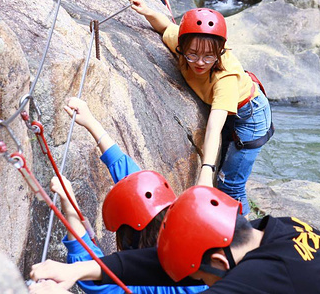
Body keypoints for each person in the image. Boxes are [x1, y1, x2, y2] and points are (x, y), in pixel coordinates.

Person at [29, 186, 320, 294]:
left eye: (201, 279)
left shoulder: (265, 275)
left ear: (221, 265)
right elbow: (162, 265)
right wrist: (79, 269)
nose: (200, 283)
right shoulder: (276, 230)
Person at [29, 97, 207, 294]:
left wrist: (69, 207)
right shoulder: (193, 245)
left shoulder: (149, 283)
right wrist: (91, 123)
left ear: (128, 238)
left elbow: (100, 282)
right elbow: (137, 185)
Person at [129, 0, 273, 215]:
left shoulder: (224, 78)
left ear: (220, 52)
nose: (199, 62)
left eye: (209, 56)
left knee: (230, 185)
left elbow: (214, 127)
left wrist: (206, 170)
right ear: (182, 46)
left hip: (250, 115)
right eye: (193, 54)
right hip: (232, 106)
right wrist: (147, 11)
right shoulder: (187, 42)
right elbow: (165, 27)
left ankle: (242, 234)